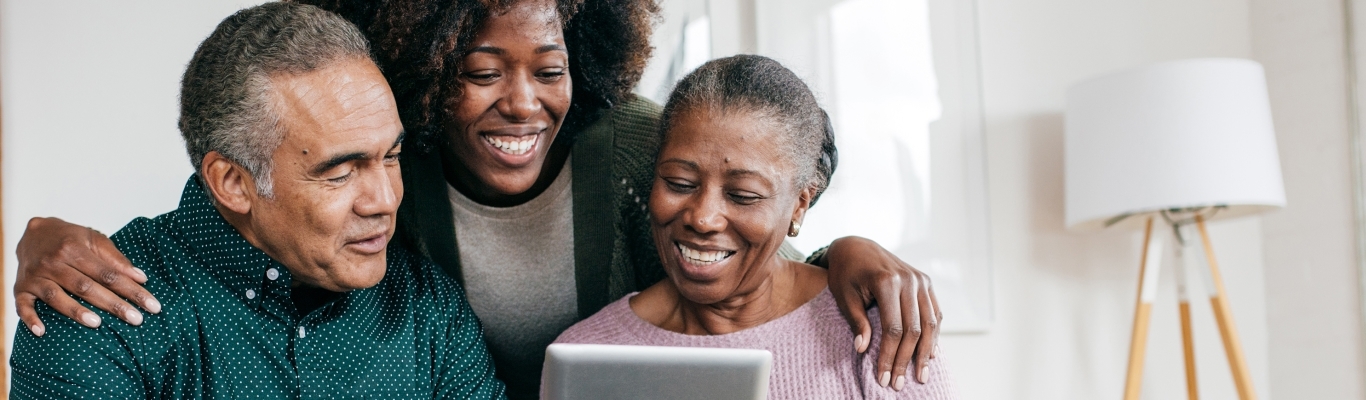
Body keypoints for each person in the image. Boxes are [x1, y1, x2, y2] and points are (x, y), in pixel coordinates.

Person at [13, 0, 942, 396]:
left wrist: (836, 256)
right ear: (429, 77)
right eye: (344, 169)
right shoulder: (112, 312)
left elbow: (730, 223)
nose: (381, 197)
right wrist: (39, 237)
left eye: (547, 67)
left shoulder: (625, 153)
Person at [9, 3, 504, 398]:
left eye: (390, 157)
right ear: (232, 183)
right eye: (340, 172)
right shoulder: (97, 317)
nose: (383, 200)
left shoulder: (427, 305)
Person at [553, 55, 956, 399]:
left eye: (743, 195)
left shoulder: (881, 332)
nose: (702, 217)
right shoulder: (589, 351)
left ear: (800, 204)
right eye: (679, 183)